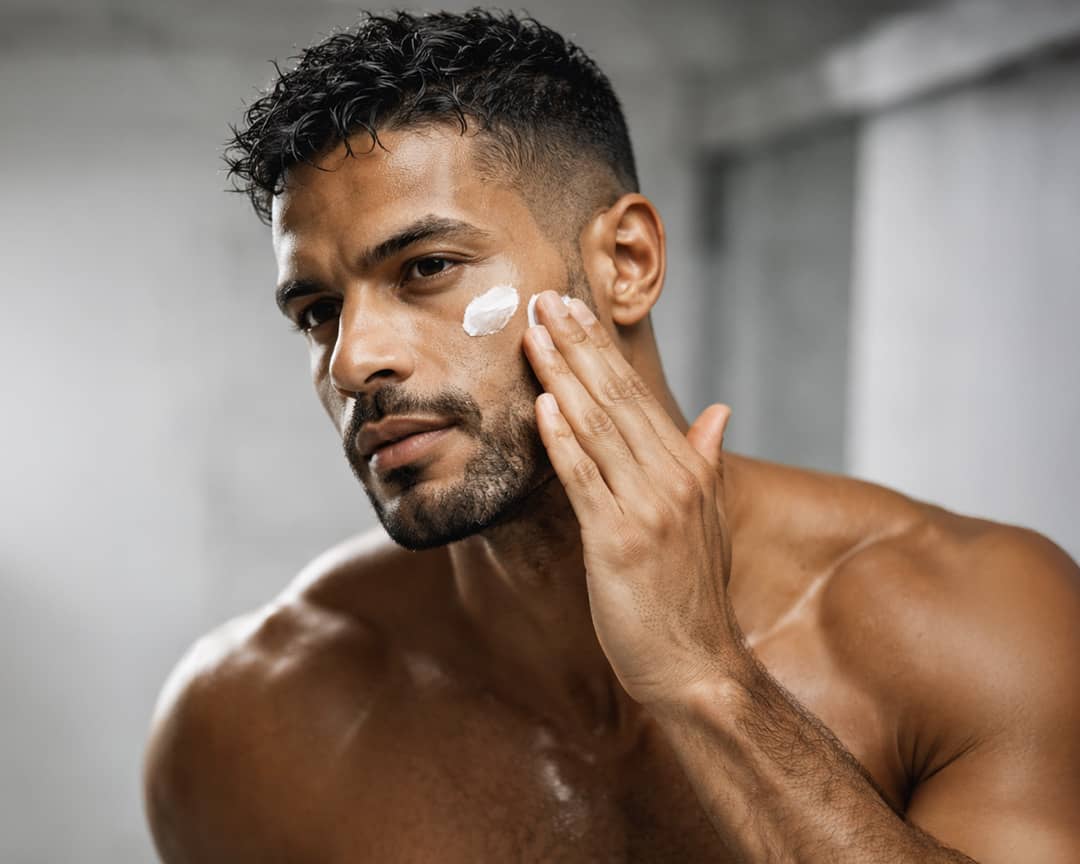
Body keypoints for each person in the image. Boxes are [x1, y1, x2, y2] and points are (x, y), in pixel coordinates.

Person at [142, 9, 1080, 862]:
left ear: (626, 263)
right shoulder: (251, 715)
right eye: (315, 310)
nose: (352, 362)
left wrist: (703, 678)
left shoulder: (976, 618)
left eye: (427, 267)